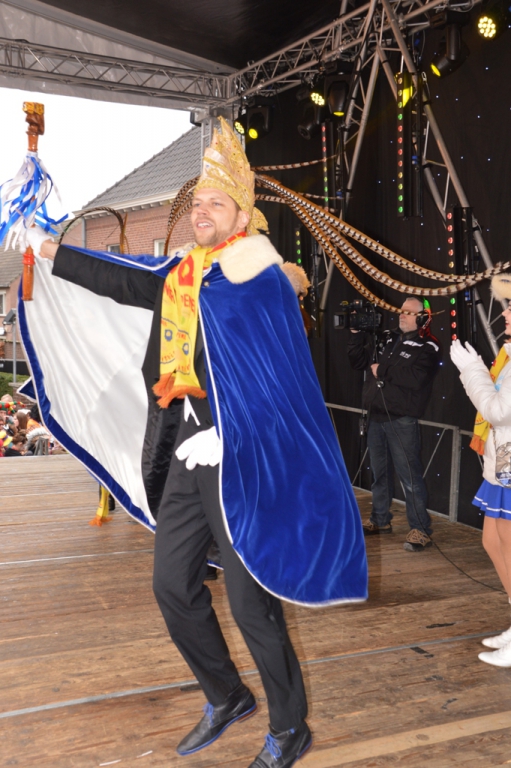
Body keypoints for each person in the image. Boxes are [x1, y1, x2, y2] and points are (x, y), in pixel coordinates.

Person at [20, 118, 367, 768]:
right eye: (197, 202)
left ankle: (290, 726)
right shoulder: (188, 274)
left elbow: (281, 386)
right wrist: (48, 249)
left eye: (215, 203)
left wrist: (230, 436)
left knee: (251, 605)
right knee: (171, 586)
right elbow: (127, 278)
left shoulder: (259, 281)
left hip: (240, 460)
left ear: (242, 216)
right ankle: (227, 694)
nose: (200, 211)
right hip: (185, 453)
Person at [347, 296, 441, 551]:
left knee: (409, 477)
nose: (402, 315)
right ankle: (380, 520)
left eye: (409, 312)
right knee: (379, 474)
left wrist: (382, 370)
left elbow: (416, 379)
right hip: (376, 416)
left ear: (422, 318)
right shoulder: (387, 338)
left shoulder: (428, 346)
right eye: (401, 311)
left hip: (401, 419)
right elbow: (358, 362)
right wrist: (355, 334)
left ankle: (420, 529)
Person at [451, 274, 511, 667]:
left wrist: (471, 370)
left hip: (509, 463)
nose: (505, 313)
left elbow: (499, 412)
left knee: (507, 544)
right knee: (493, 541)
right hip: (503, 462)